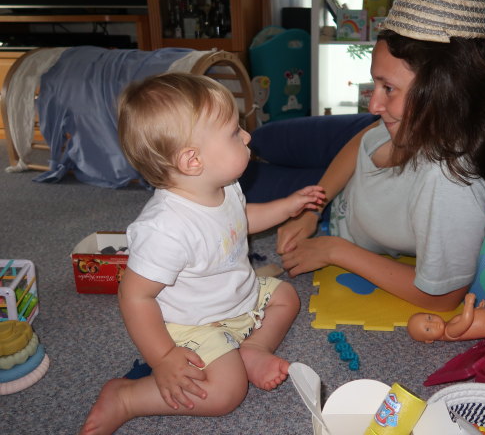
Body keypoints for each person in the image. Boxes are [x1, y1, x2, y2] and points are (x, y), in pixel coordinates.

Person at [274, 0, 485, 312]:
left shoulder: (451, 186)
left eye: (388, 87)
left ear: (444, 93)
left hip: (348, 210)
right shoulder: (418, 118)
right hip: (346, 165)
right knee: (261, 140)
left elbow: (442, 297)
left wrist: (334, 250)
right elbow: (365, 138)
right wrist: (312, 206)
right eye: (376, 82)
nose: (372, 103)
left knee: (231, 171)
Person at [80, 73, 325, 435]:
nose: (247, 136)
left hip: (237, 297)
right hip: (196, 322)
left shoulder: (225, 187)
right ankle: (128, 397)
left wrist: (286, 206)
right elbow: (134, 295)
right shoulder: (164, 228)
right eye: (233, 132)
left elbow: (239, 221)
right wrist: (162, 357)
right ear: (192, 161)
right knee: (226, 392)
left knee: (286, 295)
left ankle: (253, 347)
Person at [406, 264, 485, 342]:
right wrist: (469, 304)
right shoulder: (449, 333)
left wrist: (479, 310)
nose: (433, 324)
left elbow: (473, 321)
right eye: (428, 329)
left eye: (429, 318)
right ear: (429, 340)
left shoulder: (448, 324)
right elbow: (466, 322)